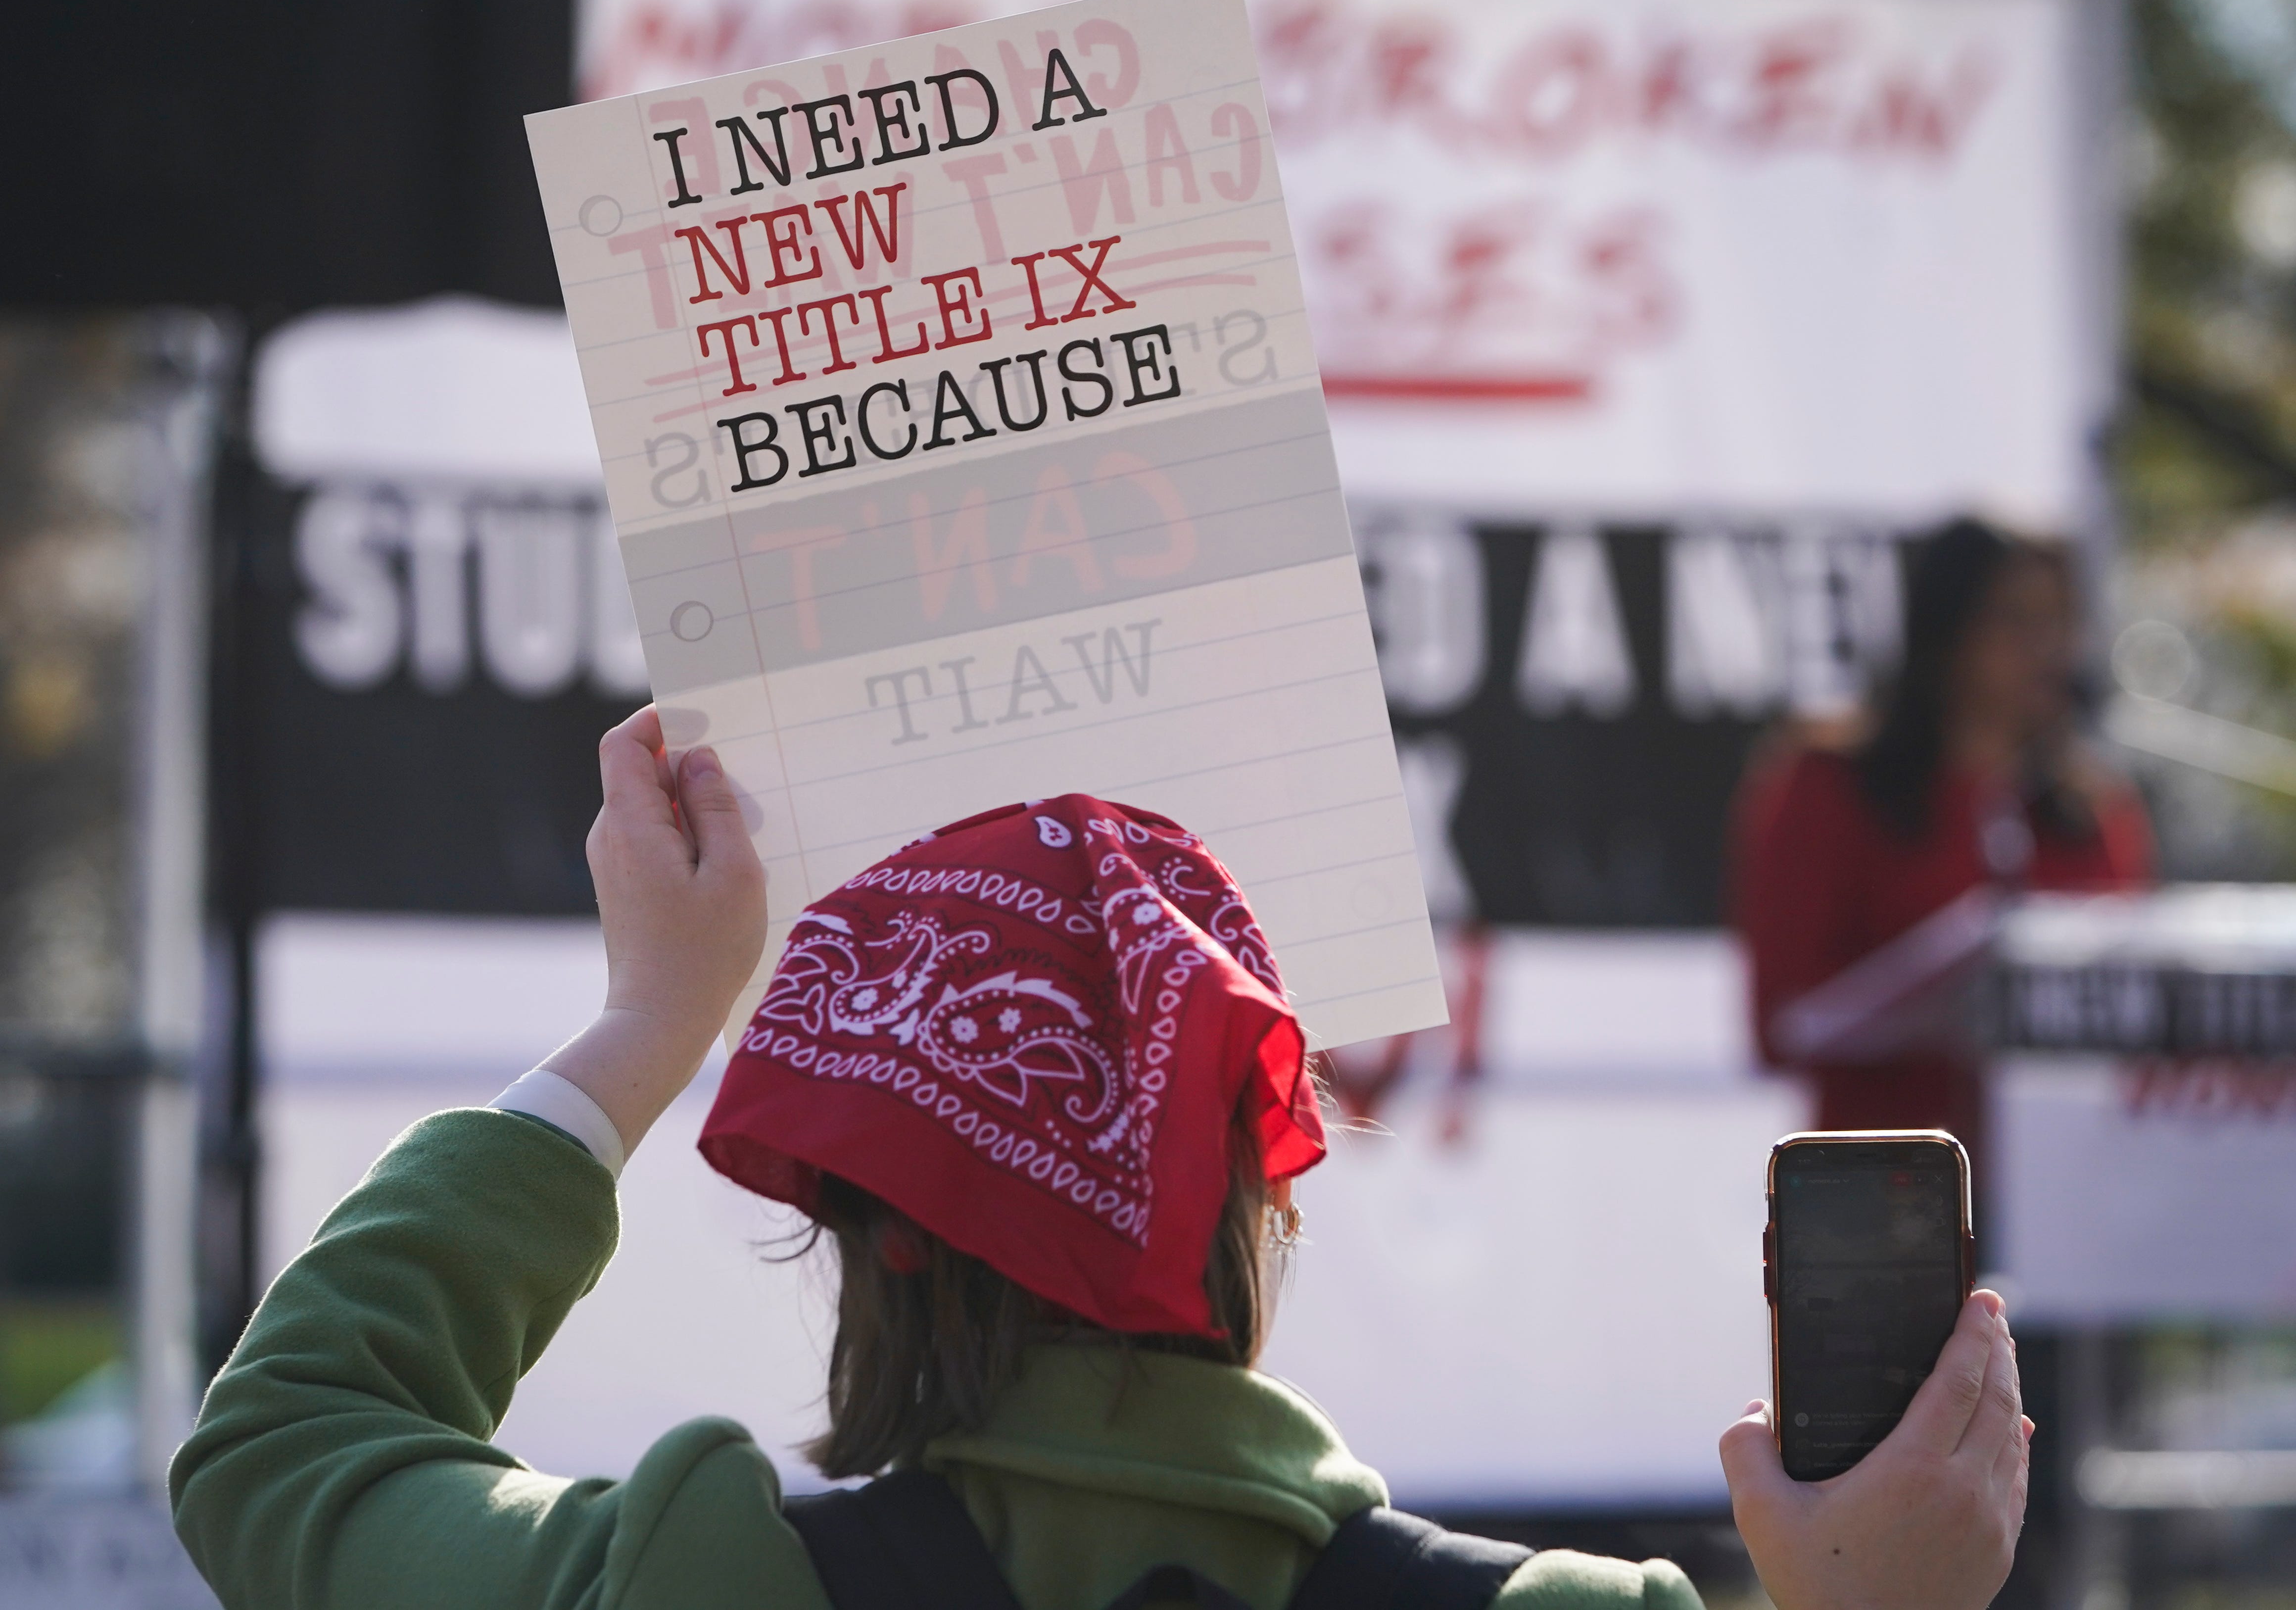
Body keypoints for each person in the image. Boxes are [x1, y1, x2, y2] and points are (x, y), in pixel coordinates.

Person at [172, 707, 2030, 1610]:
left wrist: (654, 1016)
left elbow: (289, 1449)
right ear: (1262, 1189)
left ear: (883, 1240)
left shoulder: (703, 1579)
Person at [1732, 518, 2153, 1156]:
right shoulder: (1826, 787)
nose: (2047, 649)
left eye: (2060, 622)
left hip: (2068, 1190)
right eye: (2016, 619)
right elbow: (1778, 1025)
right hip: (1884, 1189)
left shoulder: (2097, 811)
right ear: (1946, 629)